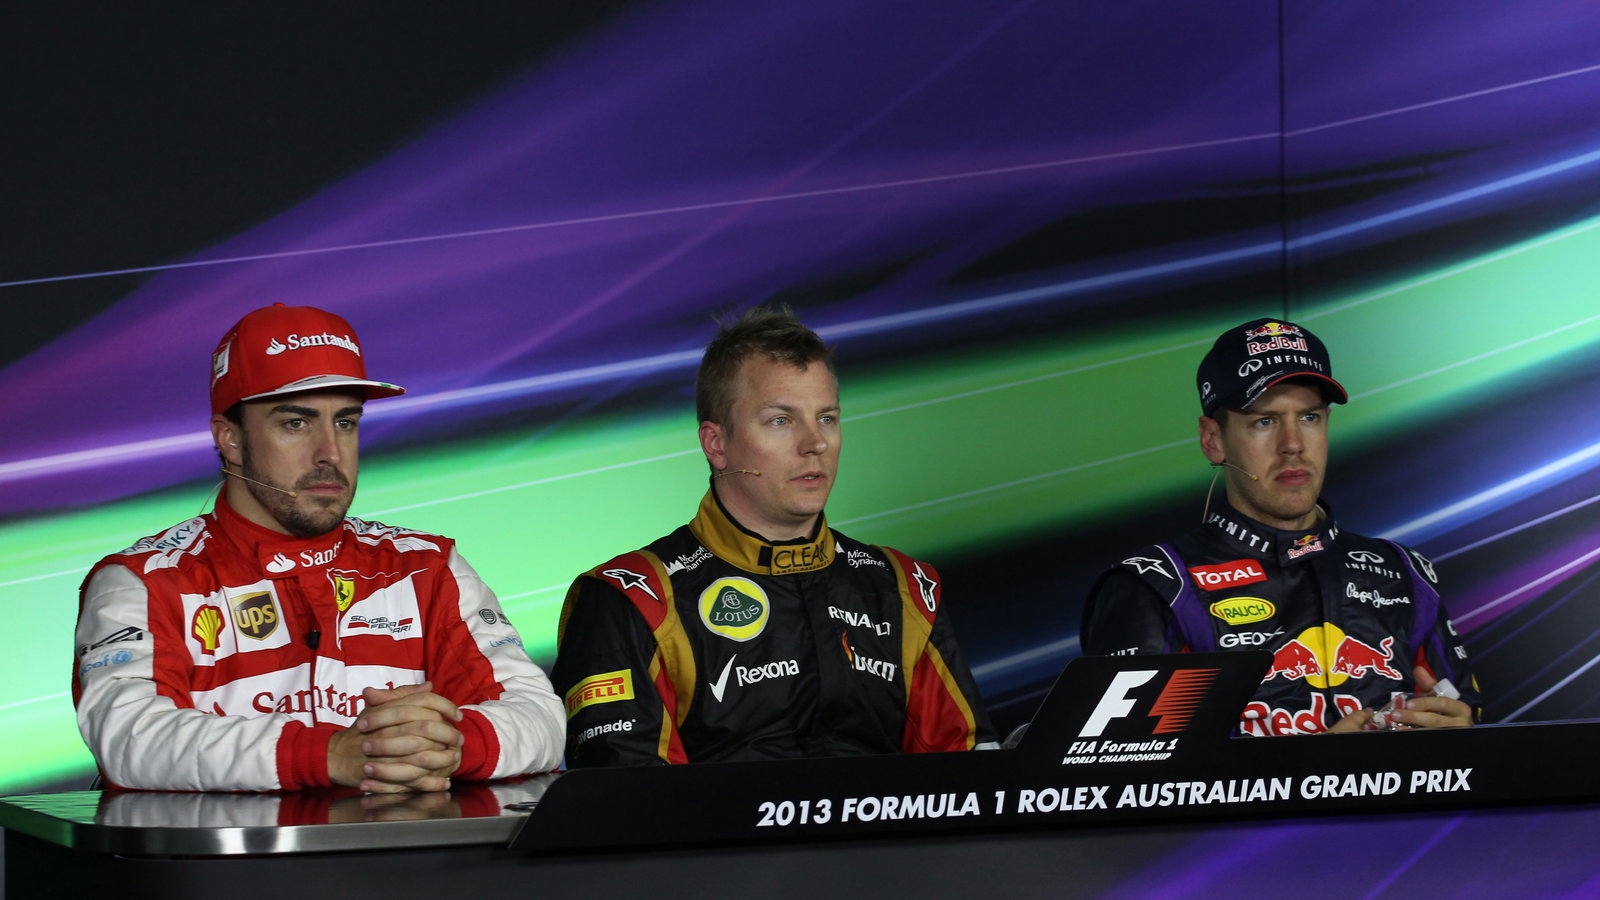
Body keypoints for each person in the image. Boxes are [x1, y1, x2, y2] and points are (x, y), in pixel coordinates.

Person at [73, 303, 564, 791]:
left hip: (398, 864)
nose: (330, 453)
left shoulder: (425, 567)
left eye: (346, 422)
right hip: (227, 868)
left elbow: (541, 717)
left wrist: (450, 745)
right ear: (230, 439)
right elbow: (129, 737)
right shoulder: (144, 580)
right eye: (296, 423)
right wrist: (329, 755)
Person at [552, 306, 995, 765]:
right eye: (781, 420)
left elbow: (970, 783)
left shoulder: (903, 588)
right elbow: (626, 810)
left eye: (826, 417)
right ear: (716, 444)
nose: (815, 443)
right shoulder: (630, 601)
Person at [1080, 318, 1480, 735]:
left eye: (1309, 417)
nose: (1293, 444)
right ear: (1213, 440)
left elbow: (1468, 717)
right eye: (1264, 421)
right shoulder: (1157, 587)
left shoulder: (1403, 572)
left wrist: (1459, 731)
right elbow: (1121, 778)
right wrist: (1309, 774)